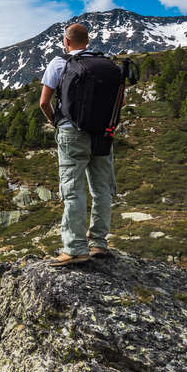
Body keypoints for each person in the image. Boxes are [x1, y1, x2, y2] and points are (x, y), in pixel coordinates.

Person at [38, 23, 119, 266]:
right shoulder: (107, 65)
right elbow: (118, 102)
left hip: (71, 134)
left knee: (73, 190)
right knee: (102, 189)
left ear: (66, 41)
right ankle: (98, 244)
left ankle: (74, 248)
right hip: (103, 134)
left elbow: (44, 102)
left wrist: (56, 122)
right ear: (88, 41)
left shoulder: (59, 63)